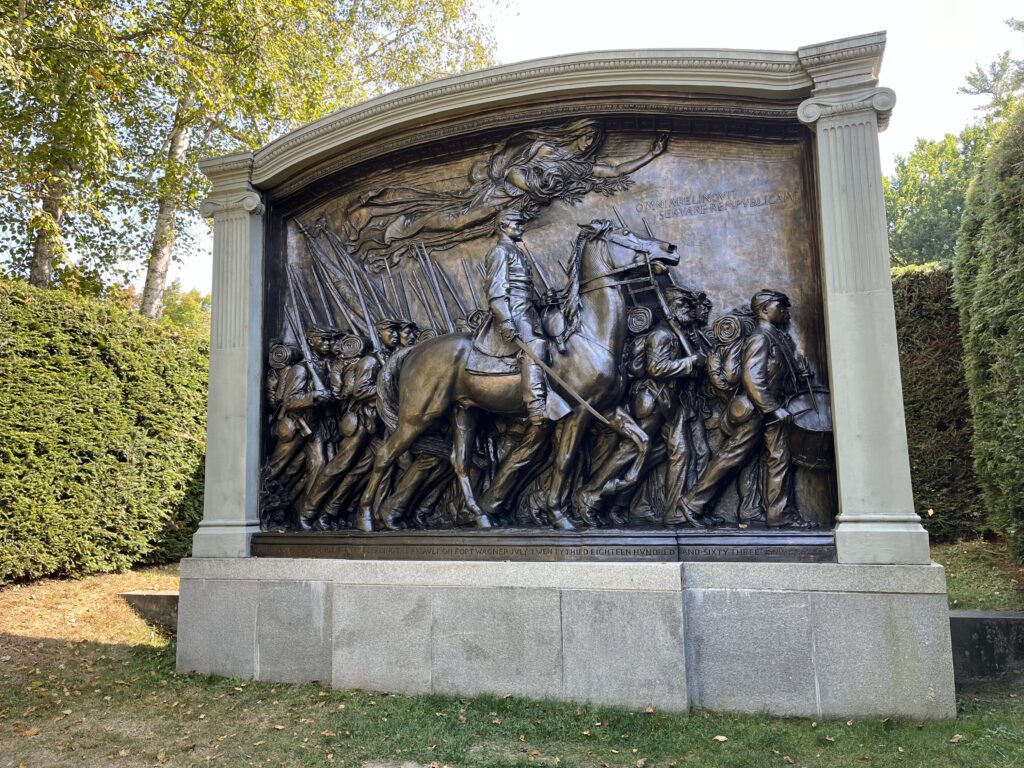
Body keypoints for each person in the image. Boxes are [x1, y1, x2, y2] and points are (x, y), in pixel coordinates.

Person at [669, 289, 816, 528]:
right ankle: (692, 503)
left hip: (770, 410)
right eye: (781, 306)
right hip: (760, 411)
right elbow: (752, 378)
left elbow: (775, 374)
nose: (786, 311)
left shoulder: (776, 336)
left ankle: (777, 514)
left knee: (776, 457)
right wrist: (771, 408)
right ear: (765, 310)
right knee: (733, 457)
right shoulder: (760, 338)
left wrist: (801, 375)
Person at [473, 210, 549, 425]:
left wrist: (544, 301)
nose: (522, 226)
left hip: (527, 308)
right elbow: (496, 291)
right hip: (513, 310)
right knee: (536, 344)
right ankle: (536, 406)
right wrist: (506, 320)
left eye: (522, 223)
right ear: (502, 226)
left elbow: (524, 288)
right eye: (517, 223)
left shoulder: (516, 251)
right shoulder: (499, 252)